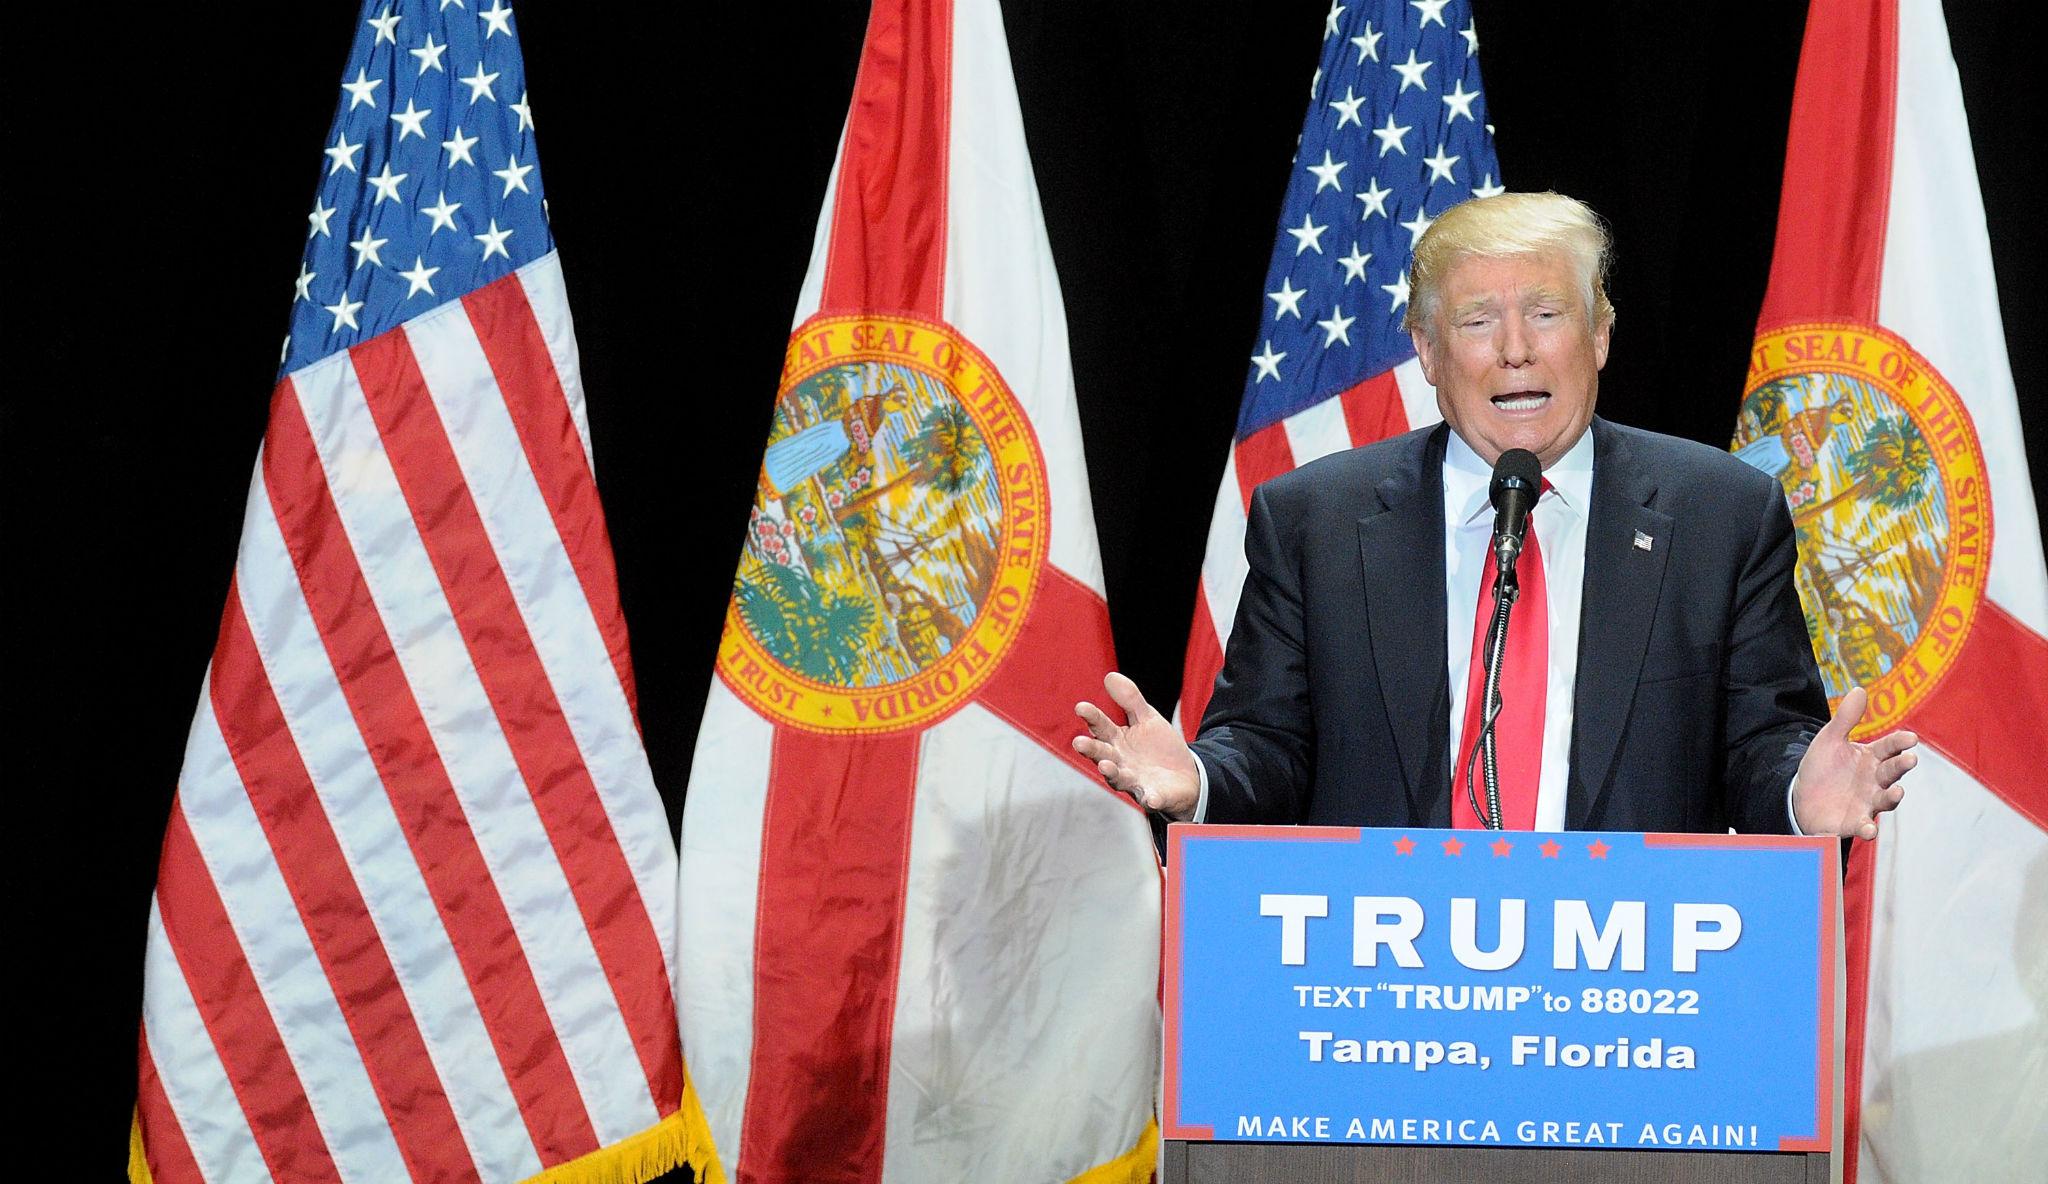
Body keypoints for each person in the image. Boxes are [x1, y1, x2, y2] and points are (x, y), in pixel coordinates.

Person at [1074, 191, 1915, 837]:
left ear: (1600, 338)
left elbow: (1758, 744)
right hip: (1389, 985)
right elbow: (1267, 744)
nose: (1517, 348)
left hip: (1628, 988)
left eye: (1547, 315)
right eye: (1478, 322)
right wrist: (1198, 779)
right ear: (1431, 353)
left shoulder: (1720, 514)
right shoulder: (1315, 521)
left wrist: (1804, 795)